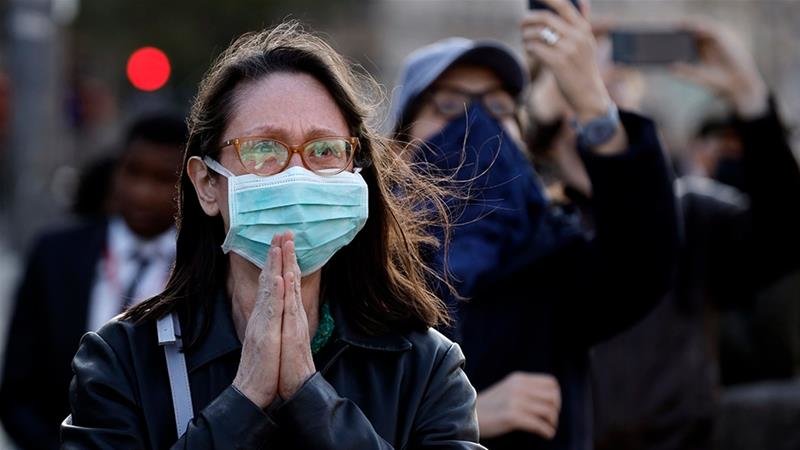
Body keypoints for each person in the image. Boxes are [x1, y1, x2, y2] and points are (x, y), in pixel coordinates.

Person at [61, 22, 484, 449]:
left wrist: (311, 397)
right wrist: (244, 400)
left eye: (324, 150)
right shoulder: (124, 360)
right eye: (263, 148)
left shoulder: (424, 366)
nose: (297, 175)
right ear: (207, 183)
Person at [390, 0, 679, 448]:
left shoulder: (552, 262)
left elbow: (642, 261)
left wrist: (591, 100)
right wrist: (459, 415)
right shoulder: (367, 273)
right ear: (399, 148)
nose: (476, 126)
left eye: (499, 107)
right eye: (448, 105)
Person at [525, 18, 800, 450]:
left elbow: (782, 237)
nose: (596, 99)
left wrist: (749, 96)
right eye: (579, 83)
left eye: (614, 87)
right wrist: (547, 105)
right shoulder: (526, 222)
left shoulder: (688, 213)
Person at [0, 111, 185, 450]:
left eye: (163, 179)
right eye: (133, 172)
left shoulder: (202, 264)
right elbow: (17, 388)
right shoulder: (55, 255)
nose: (142, 193)